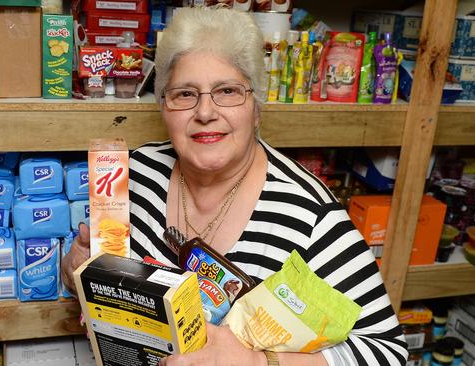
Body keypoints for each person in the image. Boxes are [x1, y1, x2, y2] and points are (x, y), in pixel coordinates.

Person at [62, 6, 408, 366]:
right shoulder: (136, 172)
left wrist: (258, 362)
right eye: (184, 94)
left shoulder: (311, 218)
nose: (205, 112)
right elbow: (92, 285)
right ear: (163, 106)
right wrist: (77, 272)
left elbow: (388, 353)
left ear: (256, 106)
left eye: (227, 91)